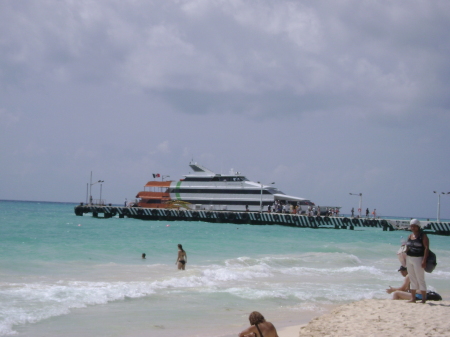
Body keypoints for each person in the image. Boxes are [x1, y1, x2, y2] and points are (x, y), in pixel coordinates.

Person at [405, 219, 429, 303]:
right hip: (409, 258)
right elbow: (407, 247)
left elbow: (426, 248)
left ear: (418, 227)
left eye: (414, 226)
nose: (413, 228)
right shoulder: (410, 236)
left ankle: (423, 299)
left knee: (420, 278)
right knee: (412, 278)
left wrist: (424, 260)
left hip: (419, 258)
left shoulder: (423, 236)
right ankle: (413, 298)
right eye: (411, 226)